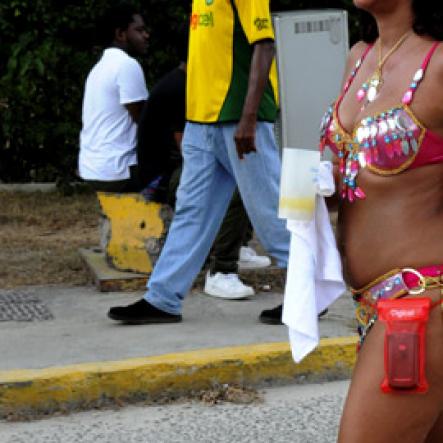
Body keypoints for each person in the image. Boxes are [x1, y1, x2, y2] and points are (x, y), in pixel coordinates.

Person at [108, 0, 290, 324]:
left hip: (238, 119)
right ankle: (162, 298)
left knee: (269, 209)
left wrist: (249, 117)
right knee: (192, 210)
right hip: (201, 121)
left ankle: (311, 292)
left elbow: (265, 46)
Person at [318, 1, 443, 441]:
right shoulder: (359, 57)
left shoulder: (441, 62)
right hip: (367, 306)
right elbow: (357, 176)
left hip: (422, 303)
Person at [136, 55, 271, 300]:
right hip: (162, 177)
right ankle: (222, 268)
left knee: (244, 176)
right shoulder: (182, 87)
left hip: (174, 167)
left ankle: (236, 247)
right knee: (240, 185)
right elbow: (187, 147)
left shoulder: (186, 82)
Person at [78, 4, 149, 192]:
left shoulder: (99, 68)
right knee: (181, 175)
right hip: (118, 170)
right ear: (121, 34)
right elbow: (145, 122)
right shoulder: (126, 65)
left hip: (91, 168)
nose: (146, 36)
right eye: (139, 30)